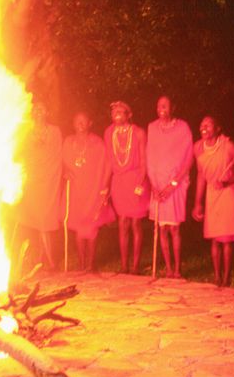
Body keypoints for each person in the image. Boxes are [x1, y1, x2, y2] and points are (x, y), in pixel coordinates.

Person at [192, 116, 234, 286]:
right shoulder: (198, 147)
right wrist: (198, 203)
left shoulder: (228, 146)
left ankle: (226, 277)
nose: (204, 127)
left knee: (226, 237)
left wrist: (226, 182)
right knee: (214, 237)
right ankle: (217, 275)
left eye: (208, 125)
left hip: (228, 191)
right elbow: (201, 175)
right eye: (202, 124)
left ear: (217, 129)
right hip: (212, 193)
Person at [147, 96, 193, 278]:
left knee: (174, 229)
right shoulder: (152, 127)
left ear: (173, 107)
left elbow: (188, 158)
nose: (161, 108)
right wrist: (153, 184)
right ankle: (168, 267)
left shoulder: (182, 128)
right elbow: (149, 156)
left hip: (176, 184)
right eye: (159, 105)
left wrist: (173, 184)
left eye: (165, 105)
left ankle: (177, 269)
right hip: (157, 185)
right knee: (162, 229)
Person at [62, 111, 114, 272]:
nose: (80, 124)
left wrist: (105, 187)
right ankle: (81, 263)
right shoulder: (68, 142)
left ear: (90, 123)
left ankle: (91, 265)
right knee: (78, 226)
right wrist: (65, 172)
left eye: (84, 121)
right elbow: (63, 163)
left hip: (93, 189)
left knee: (91, 227)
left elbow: (107, 166)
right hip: (76, 189)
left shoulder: (97, 143)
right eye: (77, 121)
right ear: (73, 124)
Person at [15, 105, 63, 272]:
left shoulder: (55, 131)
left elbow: (58, 154)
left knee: (45, 221)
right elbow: (24, 154)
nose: (39, 113)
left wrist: (53, 176)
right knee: (34, 221)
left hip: (49, 181)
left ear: (47, 112)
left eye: (42, 110)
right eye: (36, 111)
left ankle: (50, 262)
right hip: (33, 181)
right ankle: (41, 261)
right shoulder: (28, 131)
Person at [105, 101, 150, 274]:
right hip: (119, 182)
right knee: (122, 222)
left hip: (135, 179)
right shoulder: (109, 133)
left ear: (128, 114)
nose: (116, 114)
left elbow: (144, 160)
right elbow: (109, 160)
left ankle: (136, 265)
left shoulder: (138, 133)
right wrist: (106, 185)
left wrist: (140, 182)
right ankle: (124, 265)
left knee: (135, 223)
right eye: (114, 111)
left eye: (120, 111)